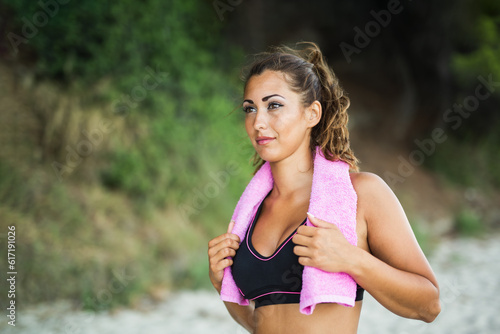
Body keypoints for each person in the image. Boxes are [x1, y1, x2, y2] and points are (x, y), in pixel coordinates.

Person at [208, 42, 440, 333]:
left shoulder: (362, 194)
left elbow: (429, 305)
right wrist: (221, 285)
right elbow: (259, 323)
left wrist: (351, 259)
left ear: (312, 114)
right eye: (250, 108)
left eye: (274, 105)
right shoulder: (252, 212)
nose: (258, 122)